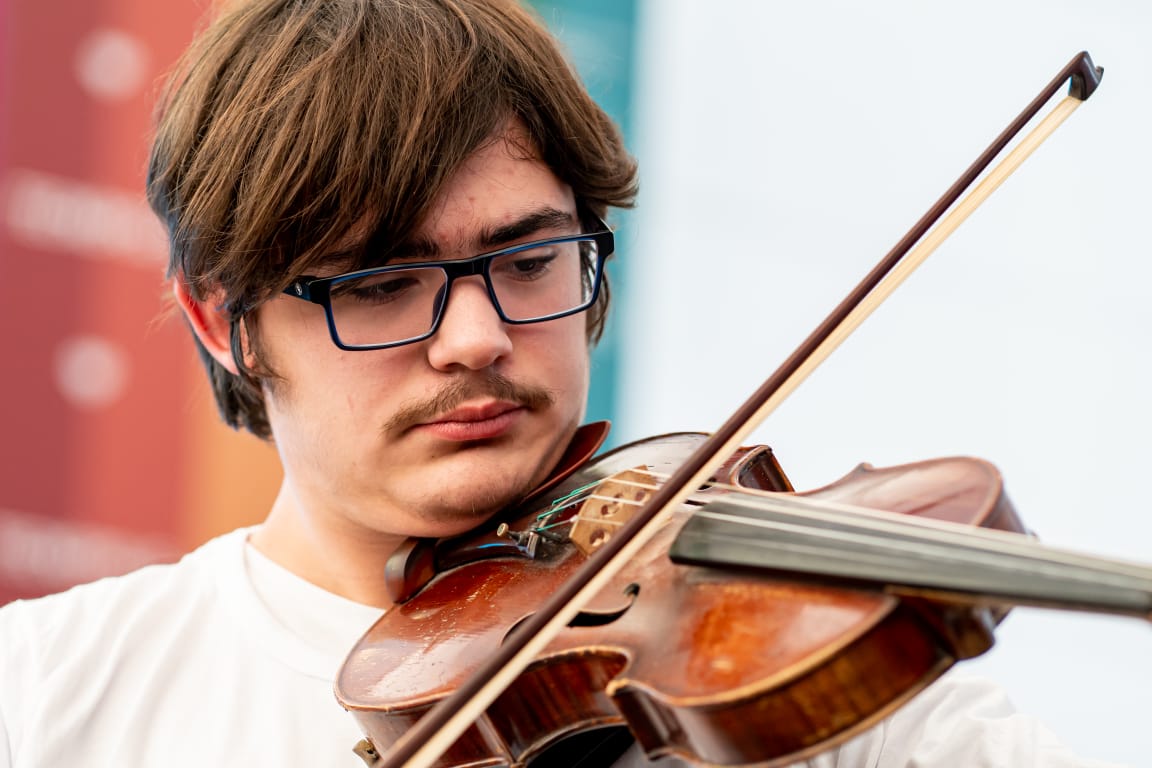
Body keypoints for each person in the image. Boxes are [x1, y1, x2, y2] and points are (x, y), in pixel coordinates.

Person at [0, 1, 1128, 766]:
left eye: (530, 259)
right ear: (223, 321)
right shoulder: (50, 695)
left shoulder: (802, 684)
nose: (479, 337)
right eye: (386, 282)